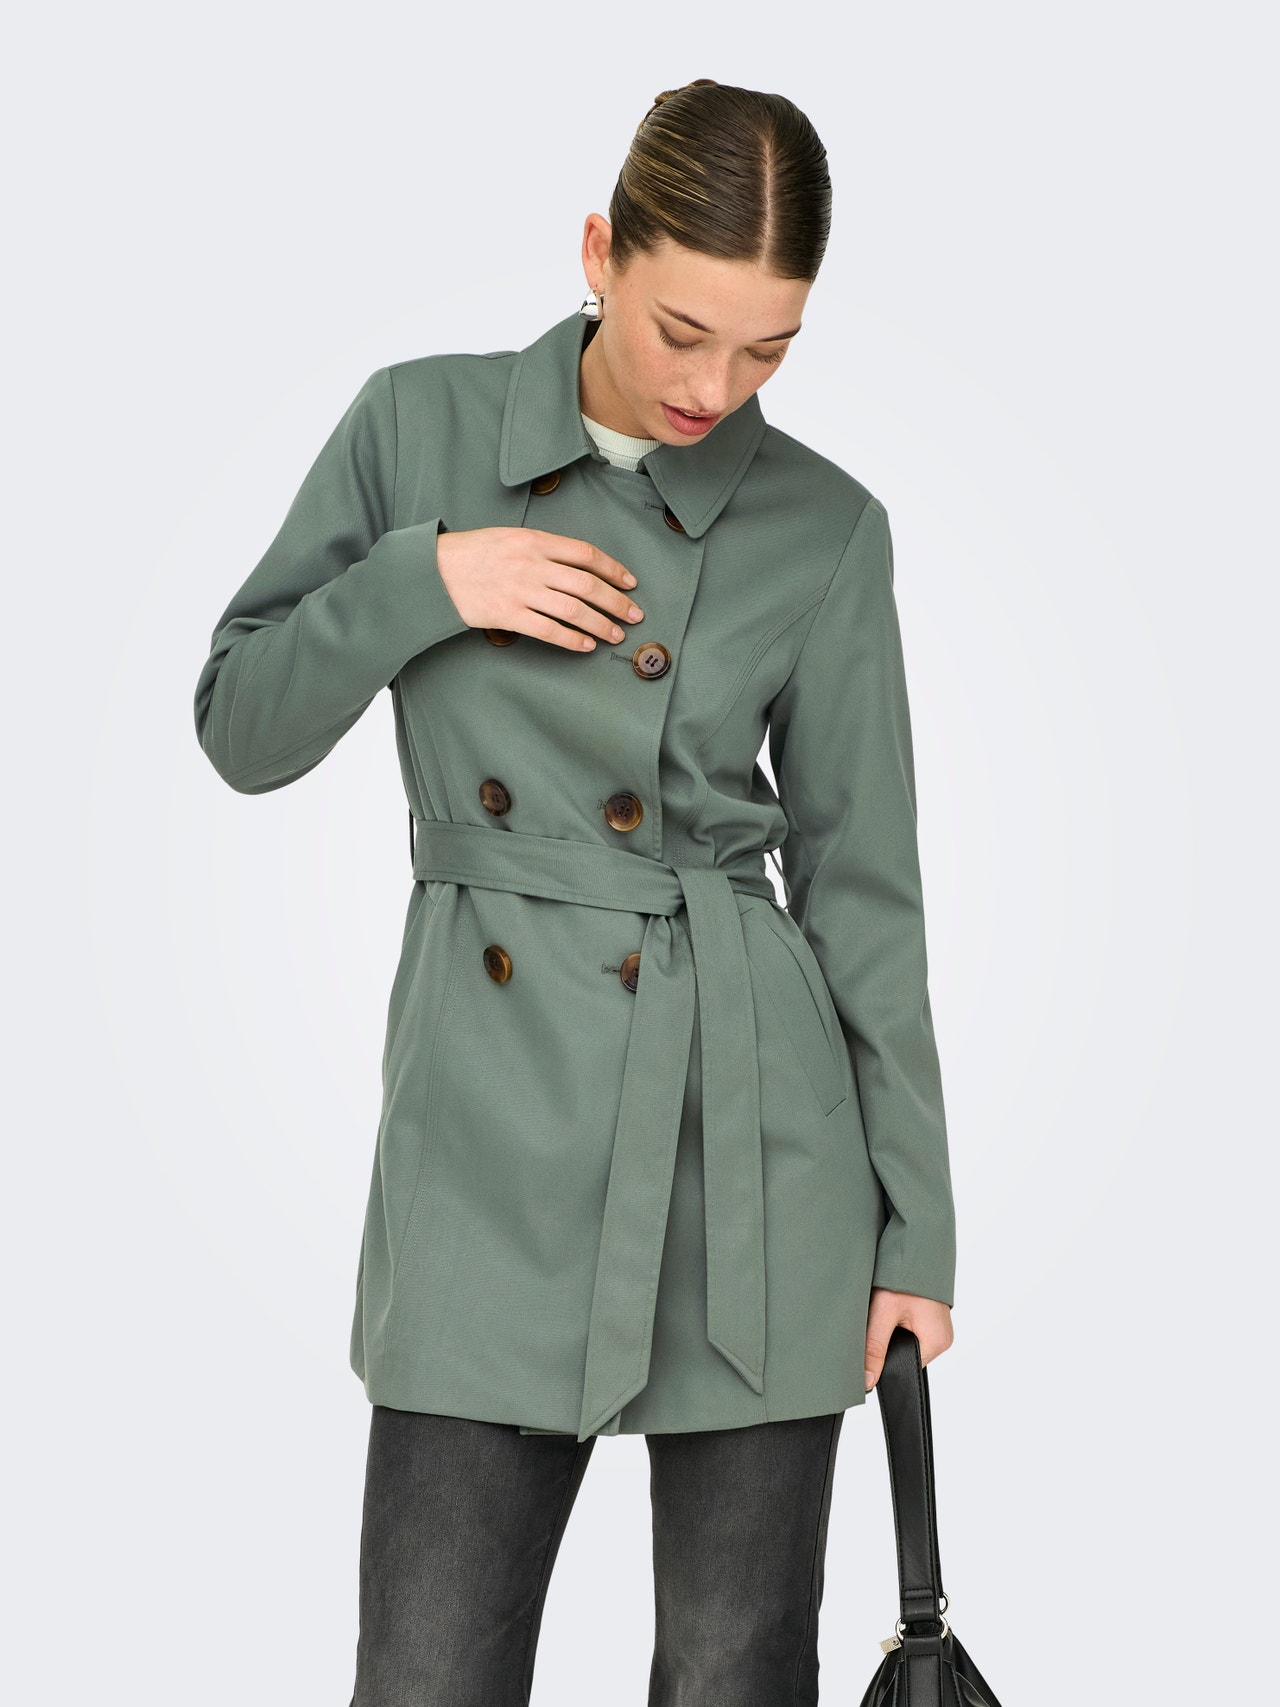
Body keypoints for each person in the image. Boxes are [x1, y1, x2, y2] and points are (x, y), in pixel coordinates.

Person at [194, 77, 957, 1707]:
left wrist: (918, 1225)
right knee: (428, 1673)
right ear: (600, 252)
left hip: (752, 1150)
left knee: (738, 1671)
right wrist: (427, 579)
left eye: (767, 352)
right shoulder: (416, 427)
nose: (713, 389)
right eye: (683, 330)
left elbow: (864, 890)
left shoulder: (828, 528)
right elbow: (240, 728)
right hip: (486, 1135)